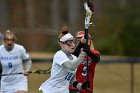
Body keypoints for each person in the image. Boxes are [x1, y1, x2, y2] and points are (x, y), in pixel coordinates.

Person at [39, 27, 89, 93]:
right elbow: (72, 66)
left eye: (73, 42)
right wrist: (83, 54)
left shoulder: (74, 58)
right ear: (62, 44)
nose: (73, 45)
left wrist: (81, 86)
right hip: (52, 90)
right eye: (69, 42)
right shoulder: (59, 54)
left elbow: (71, 79)